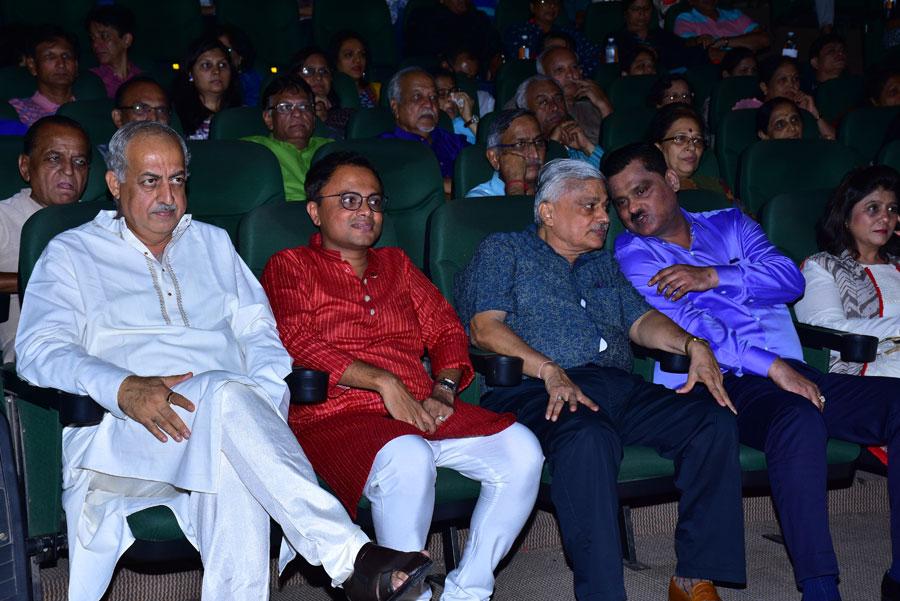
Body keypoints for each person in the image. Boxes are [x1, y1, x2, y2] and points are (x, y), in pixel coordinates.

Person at [14, 120, 431, 601]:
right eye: (150, 181)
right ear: (115, 183)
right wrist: (122, 386)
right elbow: (38, 351)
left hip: (228, 423)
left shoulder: (212, 243)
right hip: (129, 429)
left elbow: (261, 335)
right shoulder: (72, 252)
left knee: (231, 445)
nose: (167, 195)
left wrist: (264, 399)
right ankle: (350, 556)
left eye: (177, 179)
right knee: (226, 398)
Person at [608, 142, 900, 601]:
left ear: (672, 180)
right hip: (714, 380)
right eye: (622, 201)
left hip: (789, 369)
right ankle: (820, 589)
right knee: (797, 416)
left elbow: (789, 279)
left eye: (641, 190)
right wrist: (772, 365)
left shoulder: (730, 222)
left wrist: (713, 276)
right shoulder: (635, 253)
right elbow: (697, 328)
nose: (632, 209)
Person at [454, 158, 745, 601]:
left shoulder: (602, 264)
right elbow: (484, 328)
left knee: (711, 420)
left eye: (604, 206)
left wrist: (692, 345)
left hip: (614, 385)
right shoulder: (504, 251)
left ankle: (694, 578)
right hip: (535, 389)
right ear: (547, 211)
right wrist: (548, 369)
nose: (604, 217)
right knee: (588, 438)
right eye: (588, 206)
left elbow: (642, 321)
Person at [261, 151, 544, 601]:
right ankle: (405, 592)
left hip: (419, 409)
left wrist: (444, 389)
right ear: (315, 211)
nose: (366, 211)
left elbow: (446, 330)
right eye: (349, 200)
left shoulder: (396, 264)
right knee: (408, 454)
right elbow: (296, 341)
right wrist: (383, 382)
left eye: (374, 202)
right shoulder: (290, 265)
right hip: (336, 416)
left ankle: (468, 590)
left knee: (522, 449)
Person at [0, 115, 90, 364]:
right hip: (39, 344)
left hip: (105, 335)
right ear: (25, 167)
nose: (69, 170)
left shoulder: (99, 220)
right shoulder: (4, 216)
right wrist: (43, 280)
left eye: (80, 162)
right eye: (54, 158)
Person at [796, 165, 900, 378]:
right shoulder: (822, 266)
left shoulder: (896, 265)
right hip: (866, 377)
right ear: (845, 216)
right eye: (873, 208)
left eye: (892, 209)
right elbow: (825, 332)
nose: (885, 218)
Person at [243, 76, 333, 202]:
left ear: (313, 117)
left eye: (304, 106)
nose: (297, 113)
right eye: (285, 107)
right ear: (269, 118)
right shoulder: (251, 149)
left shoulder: (330, 149)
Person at [380, 67, 469, 191]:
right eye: (417, 97)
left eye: (433, 97)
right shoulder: (383, 149)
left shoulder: (453, 141)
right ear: (395, 107)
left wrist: (470, 120)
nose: (429, 104)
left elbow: (484, 169)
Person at [650, 103, 733, 201]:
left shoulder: (716, 188)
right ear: (659, 148)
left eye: (697, 140)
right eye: (680, 138)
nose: (692, 147)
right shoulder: (648, 194)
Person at [737, 57, 836, 139]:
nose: (791, 84)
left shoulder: (797, 112)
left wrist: (814, 114)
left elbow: (833, 141)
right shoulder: (748, 109)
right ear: (764, 87)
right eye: (783, 80)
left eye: (795, 79)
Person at [515, 75, 603, 168]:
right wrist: (554, 144)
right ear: (526, 113)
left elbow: (610, 173)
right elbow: (547, 176)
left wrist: (587, 146)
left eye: (558, 99)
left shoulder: (574, 143)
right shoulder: (525, 154)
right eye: (543, 102)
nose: (555, 107)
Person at [405, 0, 501, 79]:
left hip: (478, 81)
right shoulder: (423, 17)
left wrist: (490, 66)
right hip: (437, 78)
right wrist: (446, 63)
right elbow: (415, 55)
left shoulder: (480, 19)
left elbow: (495, 49)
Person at [502, 0, 601, 76]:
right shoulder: (517, 32)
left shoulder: (570, 32)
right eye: (544, 2)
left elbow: (593, 55)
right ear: (532, 7)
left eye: (556, 2)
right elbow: (516, 64)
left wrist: (575, 73)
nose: (551, 6)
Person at [536, 46, 612, 144]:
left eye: (574, 67)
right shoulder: (538, 112)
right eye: (560, 70)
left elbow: (617, 145)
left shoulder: (593, 107)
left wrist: (604, 105)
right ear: (543, 78)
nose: (571, 75)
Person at [171, 36, 241, 140]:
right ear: (190, 73)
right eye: (206, 65)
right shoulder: (176, 117)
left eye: (222, 65)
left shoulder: (242, 115)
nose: (216, 71)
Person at [466, 109, 546, 197]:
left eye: (539, 142)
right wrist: (515, 186)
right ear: (494, 158)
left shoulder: (552, 189)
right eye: (520, 144)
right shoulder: (478, 199)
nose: (535, 154)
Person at [9, 26, 78, 126]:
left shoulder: (88, 108)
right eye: (50, 57)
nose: (61, 64)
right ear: (32, 65)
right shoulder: (18, 110)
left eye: (66, 56)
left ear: (76, 65)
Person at [612, 0, 705, 70]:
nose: (642, 13)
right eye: (636, 9)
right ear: (626, 13)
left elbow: (683, 47)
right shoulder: (615, 40)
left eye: (646, 8)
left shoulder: (662, 36)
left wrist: (696, 42)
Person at [291, 46, 355, 138]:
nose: (318, 77)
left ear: (331, 78)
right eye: (308, 71)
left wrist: (324, 122)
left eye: (324, 71)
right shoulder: (286, 113)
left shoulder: (348, 117)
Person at [85, 4, 141, 98]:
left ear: (126, 40)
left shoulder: (141, 78)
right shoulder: (91, 80)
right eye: (93, 39)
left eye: (104, 36)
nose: (95, 45)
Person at [672, 0, 770, 54]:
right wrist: (745, 43)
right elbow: (689, 46)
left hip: (746, 67)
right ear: (691, 1)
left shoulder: (734, 14)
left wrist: (723, 42)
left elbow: (764, 39)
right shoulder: (684, 19)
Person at [216, 24, 263, 108]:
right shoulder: (212, 78)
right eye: (217, 49)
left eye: (227, 50)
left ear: (240, 55)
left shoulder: (250, 81)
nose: (220, 54)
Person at [330, 31, 381, 108]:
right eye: (349, 55)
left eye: (362, 54)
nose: (358, 60)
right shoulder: (328, 94)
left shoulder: (377, 91)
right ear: (335, 61)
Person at [433, 68, 479, 144]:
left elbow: (491, 145)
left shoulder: (461, 123)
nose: (451, 98)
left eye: (454, 91)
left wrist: (468, 118)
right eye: (442, 94)